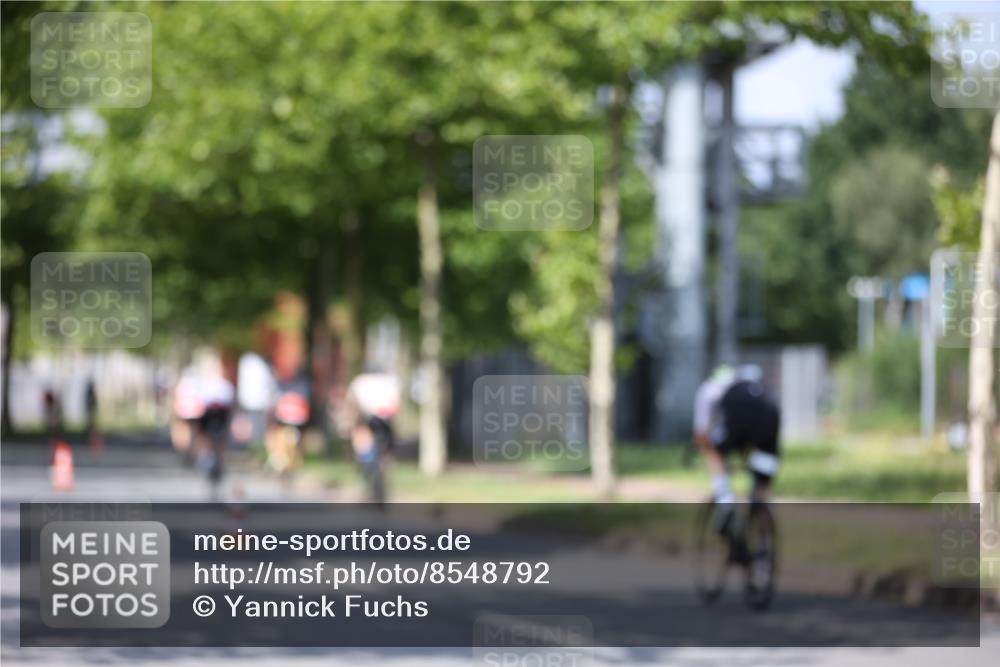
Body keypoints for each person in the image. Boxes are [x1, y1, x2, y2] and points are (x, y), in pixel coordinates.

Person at [693, 364, 781, 531]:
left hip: (738, 426)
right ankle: (759, 502)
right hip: (768, 425)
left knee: (713, 452)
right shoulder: (761, 390)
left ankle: (725, 500)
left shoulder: (708, 389)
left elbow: (702, 434)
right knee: (763, 470)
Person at [344, 365, 401, 504]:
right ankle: (379, 485)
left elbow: (352, 404)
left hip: (369, 422)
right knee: (383, 456)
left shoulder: (360, 382)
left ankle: (371, 485)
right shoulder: (390, 382)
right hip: (383, 423)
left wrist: (354, 426)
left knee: (367, 455)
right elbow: (396, 406)